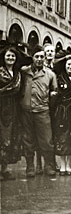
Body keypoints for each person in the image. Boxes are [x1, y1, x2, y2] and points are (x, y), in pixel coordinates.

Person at [20, 45, 58, 177]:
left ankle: (49, 165)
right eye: (37, 56)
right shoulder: (24, 72)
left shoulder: (50, 75)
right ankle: (30, 166)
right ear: (32, 57)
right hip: (27, 111)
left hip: (43, 111)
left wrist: (48, 103)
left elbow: (54, 93)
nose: (40, 59)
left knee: (46, 140)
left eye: (42, 56)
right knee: (28, 139)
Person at [0, 41, 32, 180]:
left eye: (13, 56)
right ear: (3, 57)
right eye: (8, 56)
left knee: (10, 137)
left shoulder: (19, 74)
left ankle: (5, 168)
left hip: (13, 108)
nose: (10, 58)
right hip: (1, 106)